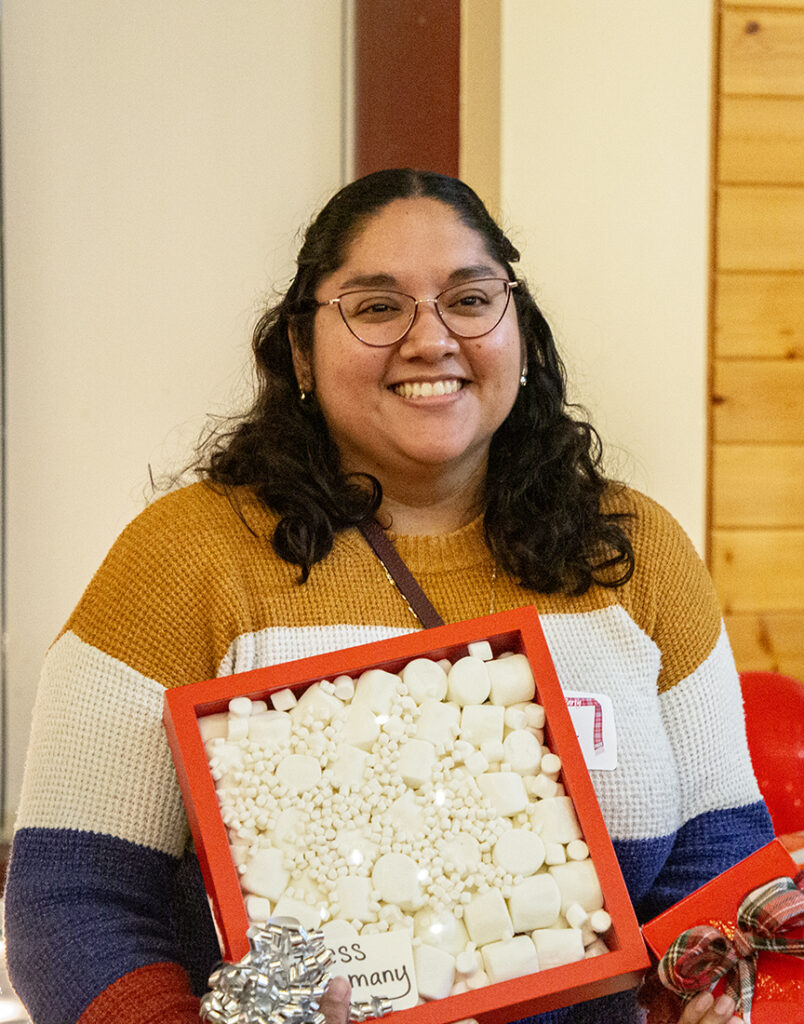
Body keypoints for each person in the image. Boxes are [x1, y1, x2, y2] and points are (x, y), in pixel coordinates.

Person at [4, 169, 771, 1024]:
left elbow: (718, 859)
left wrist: (711, 992)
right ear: (301, 350)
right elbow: (71, 902)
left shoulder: (636, 551)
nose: (431, 340)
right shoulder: (182, 559)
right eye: (376, 307)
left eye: (471, 299)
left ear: (519, 329)